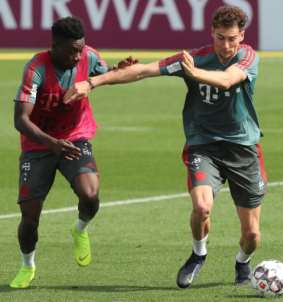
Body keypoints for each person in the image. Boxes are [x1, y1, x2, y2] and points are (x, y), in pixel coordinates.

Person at [64, 5, 267, 288]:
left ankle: (242, 262)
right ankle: (198, 254)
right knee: (202, 206)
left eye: (232, 38)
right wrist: (92, 81)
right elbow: (143, 71)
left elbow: (227, 79)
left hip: (243, 148)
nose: (226, 44)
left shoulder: (247, 57)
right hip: (204, 145)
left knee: (252, 235)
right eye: (220, 37)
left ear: (242, 36)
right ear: (212, 33)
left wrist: (194, 74)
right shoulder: (195, 58)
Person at [10, 16, 136, 289]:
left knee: (90, 196)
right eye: (72, 51)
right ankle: (27, 265)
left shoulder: (88, 56)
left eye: (81, 49)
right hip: (38, 145)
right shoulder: (36, 69)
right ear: (55, 46)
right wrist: (51, 143)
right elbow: (21, 120)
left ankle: (79, 229)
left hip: (75, 136)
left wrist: (117, 70)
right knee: (30, 218)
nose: (78, 56)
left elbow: (103, 75)